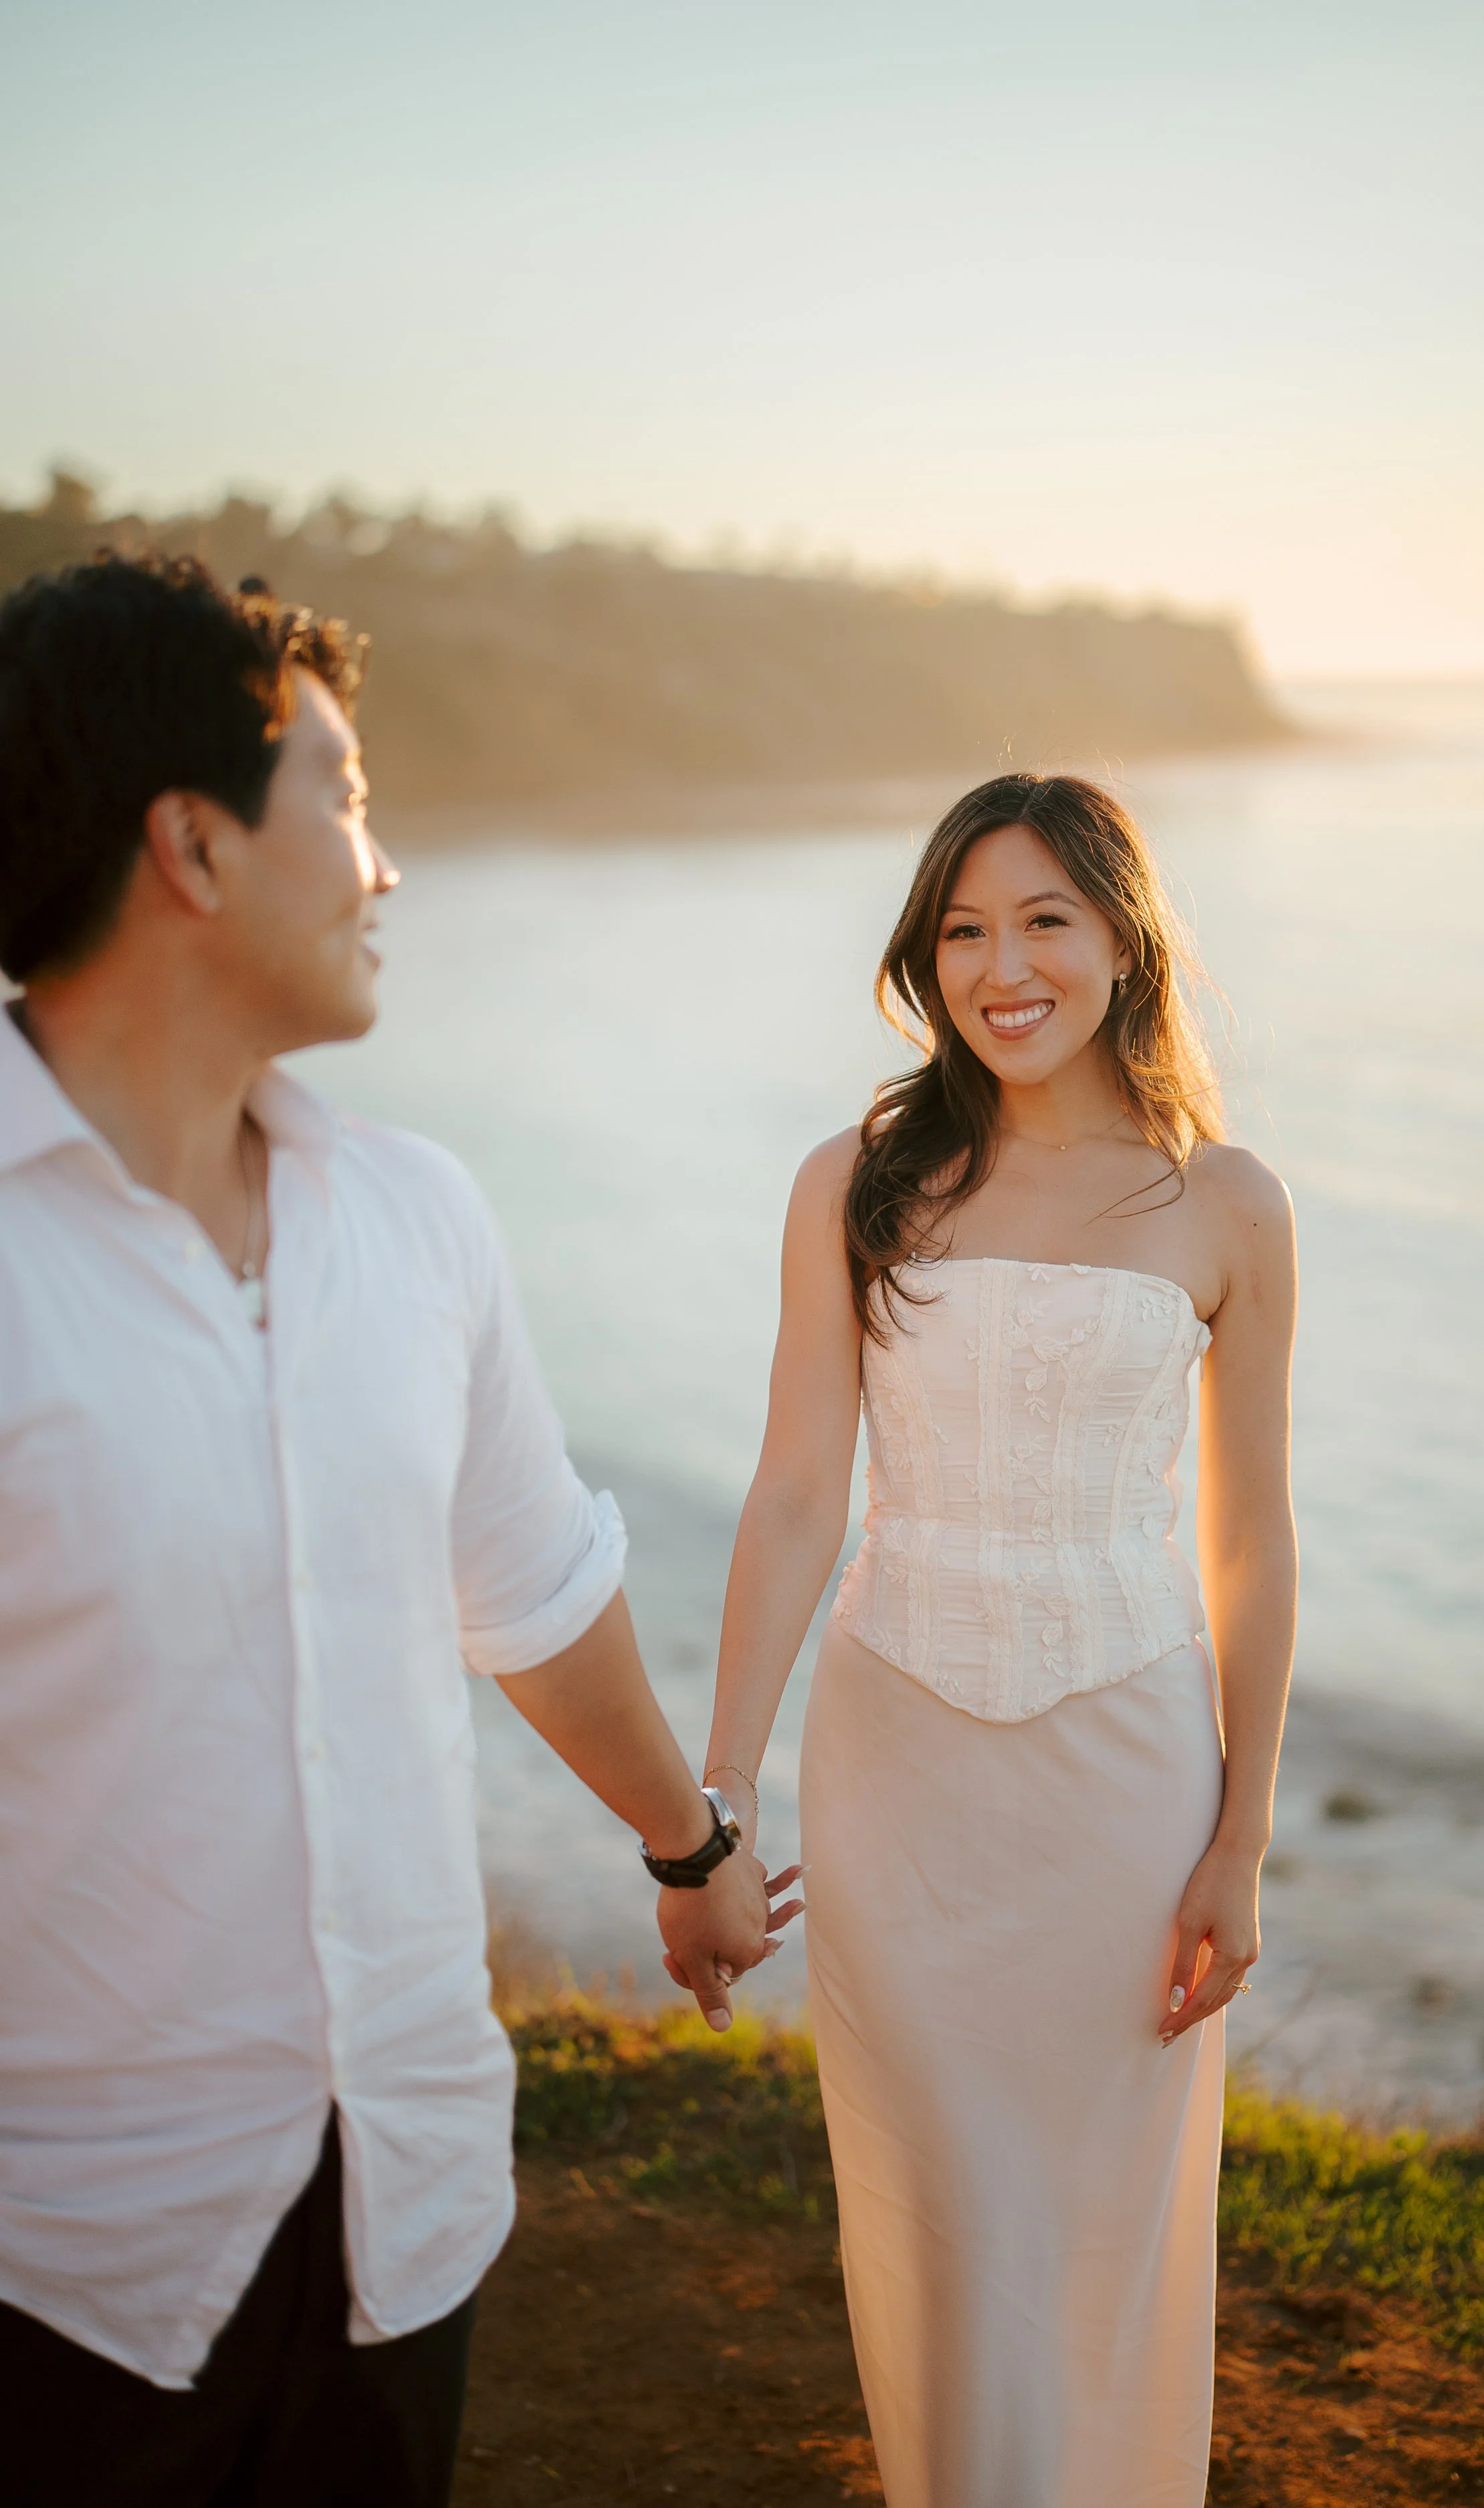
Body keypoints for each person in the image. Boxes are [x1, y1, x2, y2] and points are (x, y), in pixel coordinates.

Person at [0, 552, 794, 2508]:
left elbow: (532, 1584)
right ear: (189, 845)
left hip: (412, 2209)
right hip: (65, 2267)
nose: (385, 862)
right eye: (342, 798)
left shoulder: (419, 1217)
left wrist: (686, 1843)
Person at [695, 774, 1297, 2507]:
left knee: (1104, 2221)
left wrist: (1239, 1836)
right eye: (962, 928)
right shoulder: (858, 1179)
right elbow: (800, 1489)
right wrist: (719, 1793)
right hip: (898, 1773)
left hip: (1125, 1783)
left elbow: (1247, 1540)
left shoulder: (1226, 1203)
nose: (999, 965)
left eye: (1043, 919)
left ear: (1123, 936)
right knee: (939, 2216)